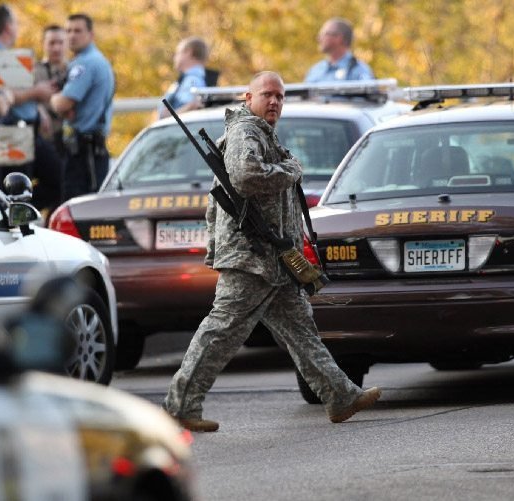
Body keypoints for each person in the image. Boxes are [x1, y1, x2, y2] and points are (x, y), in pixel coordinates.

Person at [162, 71, 381, 432]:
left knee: (301, 331)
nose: (275, 101)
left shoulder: (261, 133)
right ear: (248, 98)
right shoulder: (246, 132)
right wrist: (290, 170)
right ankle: (179, 405)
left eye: (280, 96)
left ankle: (340, 396)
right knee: (221, 331)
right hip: (250, 258)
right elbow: (245, 176)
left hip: (274, 260)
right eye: (268, 95)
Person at [0, 4, 62, 212]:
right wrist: (36, 93)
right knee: (21, 187)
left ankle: (19, 212)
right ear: (8, 26)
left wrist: (38, 108)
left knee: (55, 178)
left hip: (29, 130)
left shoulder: (8, 55)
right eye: (16, 23)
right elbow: (3, 99)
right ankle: (14, 213)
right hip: (13, 133)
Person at [51, 13, 115, 200]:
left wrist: (54, 98)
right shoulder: (93, 60)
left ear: (91, 34)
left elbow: (63, 103)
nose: (72, 35)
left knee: (78, 208)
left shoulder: (85, 63)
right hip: (89, 150)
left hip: (85, 153)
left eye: (78, 31)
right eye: (68, 31)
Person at [32, 24, 69, 212]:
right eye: (52, 43)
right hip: (43, 140)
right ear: (43, 44)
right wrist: (38, 107)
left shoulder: (74, 70)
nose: (56, 48)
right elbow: (24, 97)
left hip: (68, 141)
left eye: (61, 43)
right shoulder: (33, 70)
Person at [158, 36, 214, 119]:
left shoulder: (192, 81)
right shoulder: (188, 80)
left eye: (178, 53)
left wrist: (165, 117)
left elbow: (188, 114)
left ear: (188, 52)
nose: (175, 58)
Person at [304, 17, 374, 82]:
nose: (319, 38)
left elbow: (367, 94)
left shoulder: (359, 70)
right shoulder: (316, 70)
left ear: (339, 38)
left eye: (324, 34)